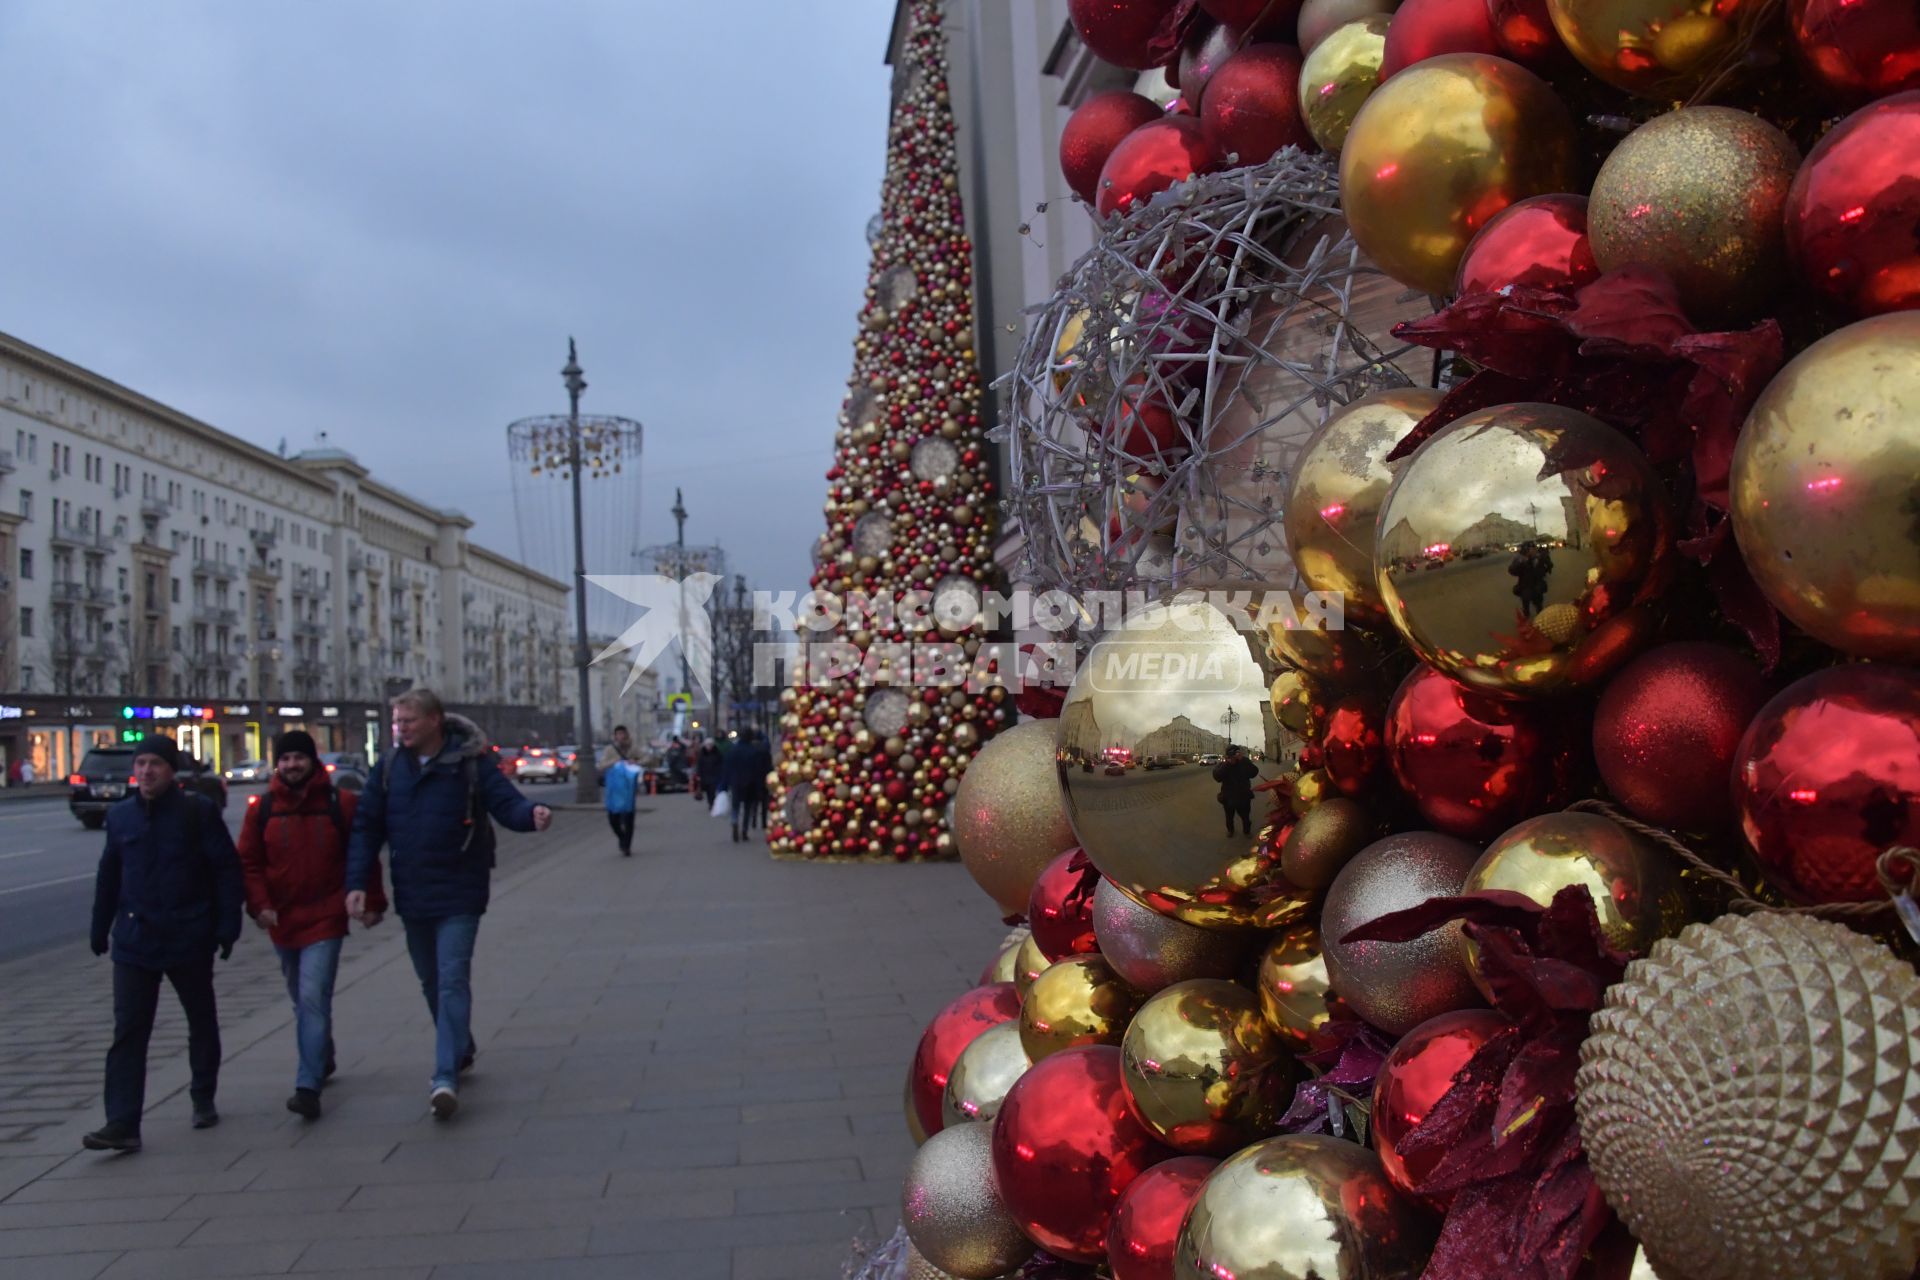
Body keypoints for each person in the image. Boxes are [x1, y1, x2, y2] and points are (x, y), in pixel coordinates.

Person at [344, 689, 551, 1120]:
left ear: (435, 721)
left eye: (408, 722)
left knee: (452, 978)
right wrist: (358, 883)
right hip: (413, 892)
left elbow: (505, 802)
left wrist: (531, 816)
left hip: (460, 888)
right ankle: (461, 1044)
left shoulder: (469, 763)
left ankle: (444, 1076)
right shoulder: (388, 769)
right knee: (431, 982)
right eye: (397, 722)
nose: (400, 729)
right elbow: (366, 828)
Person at [84, 735, 242, 1152]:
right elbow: (109, 875)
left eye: (154, 763)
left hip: (188, 935)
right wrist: (100, 927)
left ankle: (202, 1095)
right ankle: (122, 1122)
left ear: (171, 770)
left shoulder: (197, 813)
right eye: (140, 764)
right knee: (129, 1031)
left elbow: (226, 870)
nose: (145, 771)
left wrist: (227, 925)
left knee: (200, 1020)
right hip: (135, 940)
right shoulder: (120, 818)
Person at [237, 730, 388, 1121]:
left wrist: (372, 901)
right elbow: (249, 864)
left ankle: (307, 1086)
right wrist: (259, 905)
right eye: (284, 759)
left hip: (326, 916)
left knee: (311, 997)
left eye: (298, 758)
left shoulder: (342, 803)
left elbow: (363, 856)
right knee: (302, 998)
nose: (291, 765)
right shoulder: (264, 808)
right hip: (281, 921)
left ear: (312, 760)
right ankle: (324, 1055)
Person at [728, 729, 774, 843]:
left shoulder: (734, 750)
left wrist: (725, 783)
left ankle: (734, 821)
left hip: (736, 782)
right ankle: (744, 830)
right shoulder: (754, 751)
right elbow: (758, 769)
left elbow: (728, 767)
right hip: (751, 782)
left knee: (735, 806)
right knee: (748, 808)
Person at [603, 732, 640, 857]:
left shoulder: (633, 749)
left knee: (628, 818)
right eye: (619, 737)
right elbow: (601, 765)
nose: (621, 739)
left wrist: (635, 762)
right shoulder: (609, 750)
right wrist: (614, 761)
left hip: (629, 789)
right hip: (614, 790)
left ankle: (626, 846)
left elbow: (648, 759)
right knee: (613, 819)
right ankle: (621, 836)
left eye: (624, 737)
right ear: (615, 737)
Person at [1212, 744, 1260, 839]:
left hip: (1243, 796)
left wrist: (1243, 760)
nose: (1234, 756)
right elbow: (1217, 777)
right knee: (1229, 817)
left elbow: (1254, 772)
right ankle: (1230, 830)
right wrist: (1227, 764)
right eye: (1232, 754)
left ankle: (1247, 831)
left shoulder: (1244, 762)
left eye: (1236, 753)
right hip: (1228, 797)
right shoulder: (1224, 765)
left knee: (1245, 817)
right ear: (1227, 756)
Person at [695, 739, 723, 807]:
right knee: (708, 791)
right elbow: (699, 765)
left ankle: (712, 803)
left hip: (714, 775)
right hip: (705, 776)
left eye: (710, 745)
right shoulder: (702, 754)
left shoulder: (717, 754)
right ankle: (710, 802)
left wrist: (720, 773)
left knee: (712, 791)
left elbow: (721, 764)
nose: (709, 747)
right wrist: (698, 774)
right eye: (707, 745)